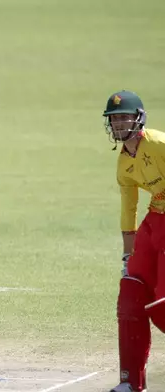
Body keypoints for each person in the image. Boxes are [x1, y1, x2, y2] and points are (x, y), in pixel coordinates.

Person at [105, 90, 165, 392]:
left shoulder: (158, 142)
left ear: (138, 118)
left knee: (164, 305)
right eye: (113, 119)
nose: (118, 123)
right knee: (130, 295)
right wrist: (127, 256)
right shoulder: (123, 164)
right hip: (155, 222)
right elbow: (128, 211)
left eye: (123, 117)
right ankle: (130, 381)